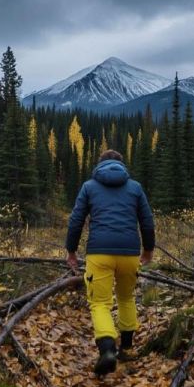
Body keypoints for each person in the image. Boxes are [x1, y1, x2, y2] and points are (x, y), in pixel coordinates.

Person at [65, 149, 155, 375]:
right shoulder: (135, 188)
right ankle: (126, 347)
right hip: (129, 253)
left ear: (99, 165)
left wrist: (71, 250)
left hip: (99, 253)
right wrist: (149, 250)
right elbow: (147, 220)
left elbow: (76, 220)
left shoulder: (89, 187)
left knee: (100, 303)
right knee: (126, 298)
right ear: (122, 166)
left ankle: (107, 350)